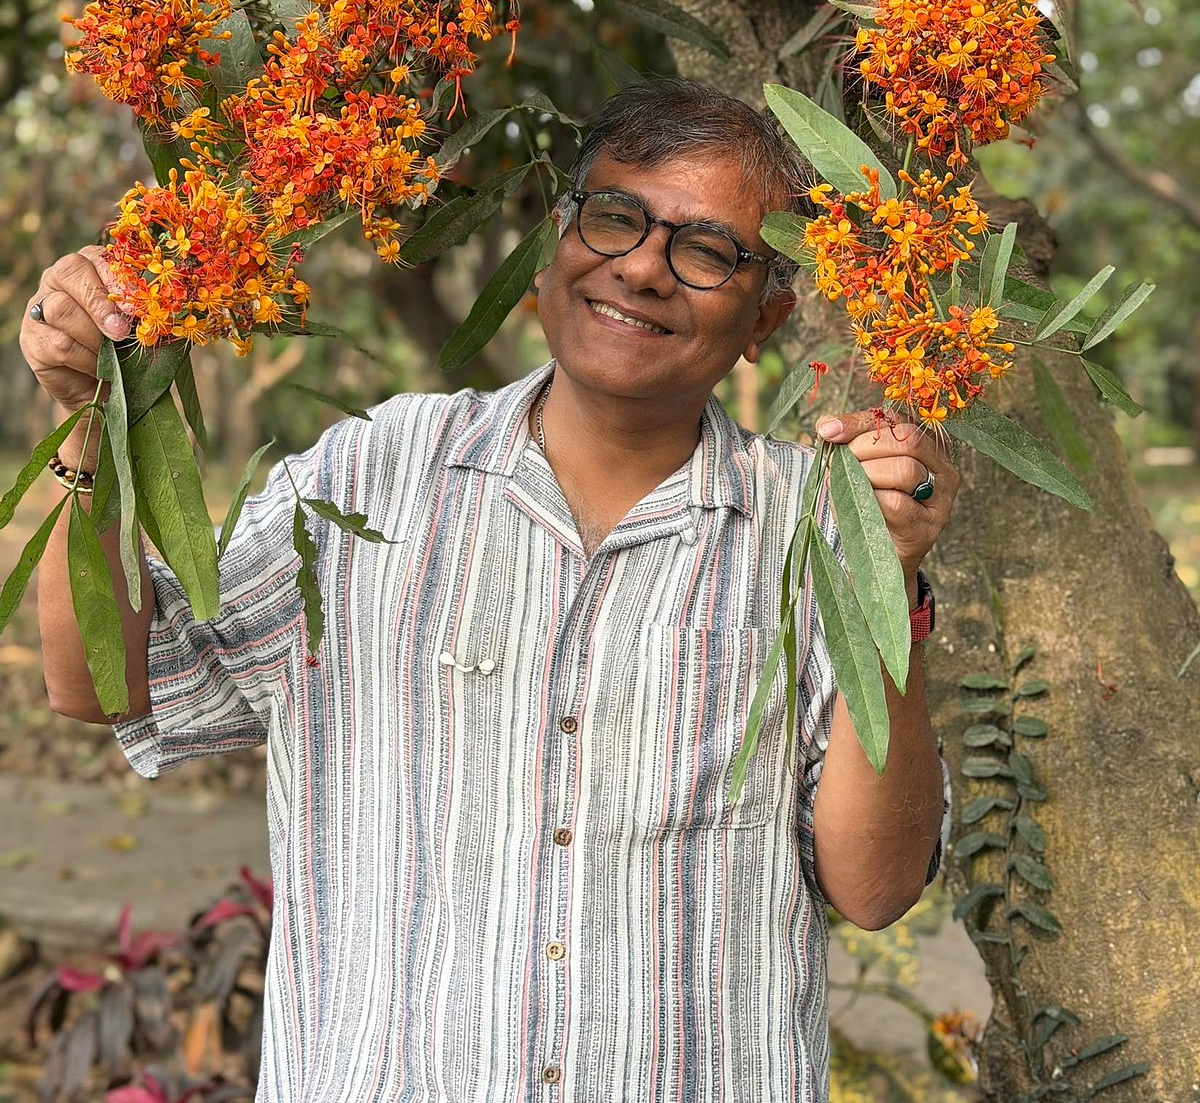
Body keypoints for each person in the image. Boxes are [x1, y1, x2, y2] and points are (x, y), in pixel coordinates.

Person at [24, 79, 957, 1103]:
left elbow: (877, 888)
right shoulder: (369, 475)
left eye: (705, 249)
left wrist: (888, 581)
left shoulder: (816, 529)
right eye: (615, 218)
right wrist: (98, 415)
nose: (642, 267)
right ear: (555, 248)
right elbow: (106, 682)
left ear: (767, 314)